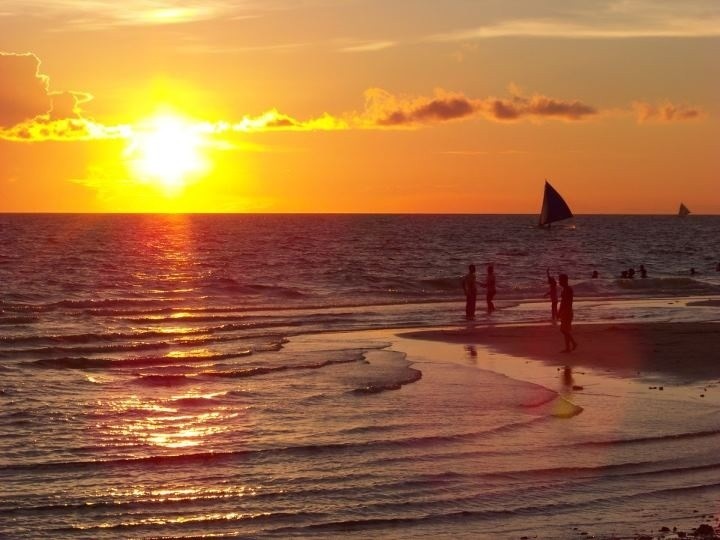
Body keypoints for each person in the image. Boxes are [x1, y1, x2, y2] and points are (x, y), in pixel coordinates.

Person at [558, 273, 577, 353]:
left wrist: (560, 311)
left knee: (563, 330)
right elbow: (563, 302)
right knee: (565, 330)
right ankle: (568, 348)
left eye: (560, 280)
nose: (559, 282)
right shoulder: (566, 289)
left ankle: (573, 343)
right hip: (566, 311)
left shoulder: (568, 290)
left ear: (564, 280)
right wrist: (560, 311)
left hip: (567, 311)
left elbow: (565, 302)